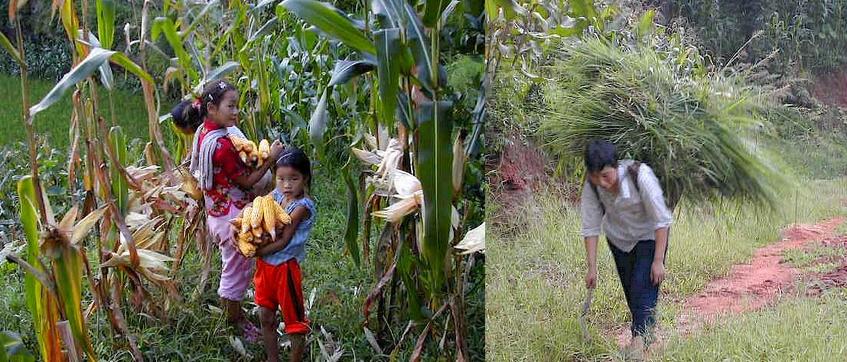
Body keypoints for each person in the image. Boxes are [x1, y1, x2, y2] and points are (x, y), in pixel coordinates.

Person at [186, 79, 284, 340]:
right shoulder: (223, 147)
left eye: (237, 106)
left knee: (234, 266)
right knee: (237, 270)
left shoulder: (204, 132)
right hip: (232, 220)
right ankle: (234, 319)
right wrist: (270, 160)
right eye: (230, 106)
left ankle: (233, 308)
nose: (236, 111)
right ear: (211, 108)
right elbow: (248, 181)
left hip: (216, 212)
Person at [580, 140, 672, 359]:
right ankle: (645, 336)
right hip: (619, 241)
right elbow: (591, 227)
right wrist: (591, 268)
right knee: (632, 292)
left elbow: (661, 221)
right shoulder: (592, 186)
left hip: (648, 237)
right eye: (596, 177)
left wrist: (658, 261)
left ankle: (637, 344)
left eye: (606, 176)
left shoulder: (641, 176)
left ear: (616, 167)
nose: (602, 183)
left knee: (644, 286)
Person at [254, 148, 316, 362]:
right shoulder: (277, 194)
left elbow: (282, 241)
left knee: (295, 324)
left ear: (305, 178)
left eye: (294, 179)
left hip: (284, 268)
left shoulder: (302, 207)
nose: (287, 185)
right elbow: (260, 206)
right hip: (265, 268)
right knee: (265, 316)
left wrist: (256, 250)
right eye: (281, 179)